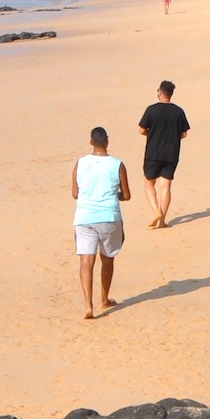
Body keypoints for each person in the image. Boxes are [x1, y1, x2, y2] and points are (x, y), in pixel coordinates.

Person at [71, 126, 130, 319]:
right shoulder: (117, 164)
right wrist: (114, 195)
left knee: (86, 260)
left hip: (84, 216)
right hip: (108, 216)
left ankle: (88, 305)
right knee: (107, 258)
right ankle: (104, 298)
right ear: (107, 141)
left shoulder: (80, 163)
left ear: (91, 142)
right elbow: (127, 195)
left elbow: (75, 193)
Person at [136, 79, 191, 229]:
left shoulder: (151, 110)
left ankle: (156, 211)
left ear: (160, 93)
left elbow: (141, 130)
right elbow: (184, 134)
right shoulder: (178, 111)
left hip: (153, 152)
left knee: (149, 183)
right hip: (171, 153)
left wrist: (152, 134)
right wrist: (172, 136)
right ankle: (162, 220)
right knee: (165, 186)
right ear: (171, 94)